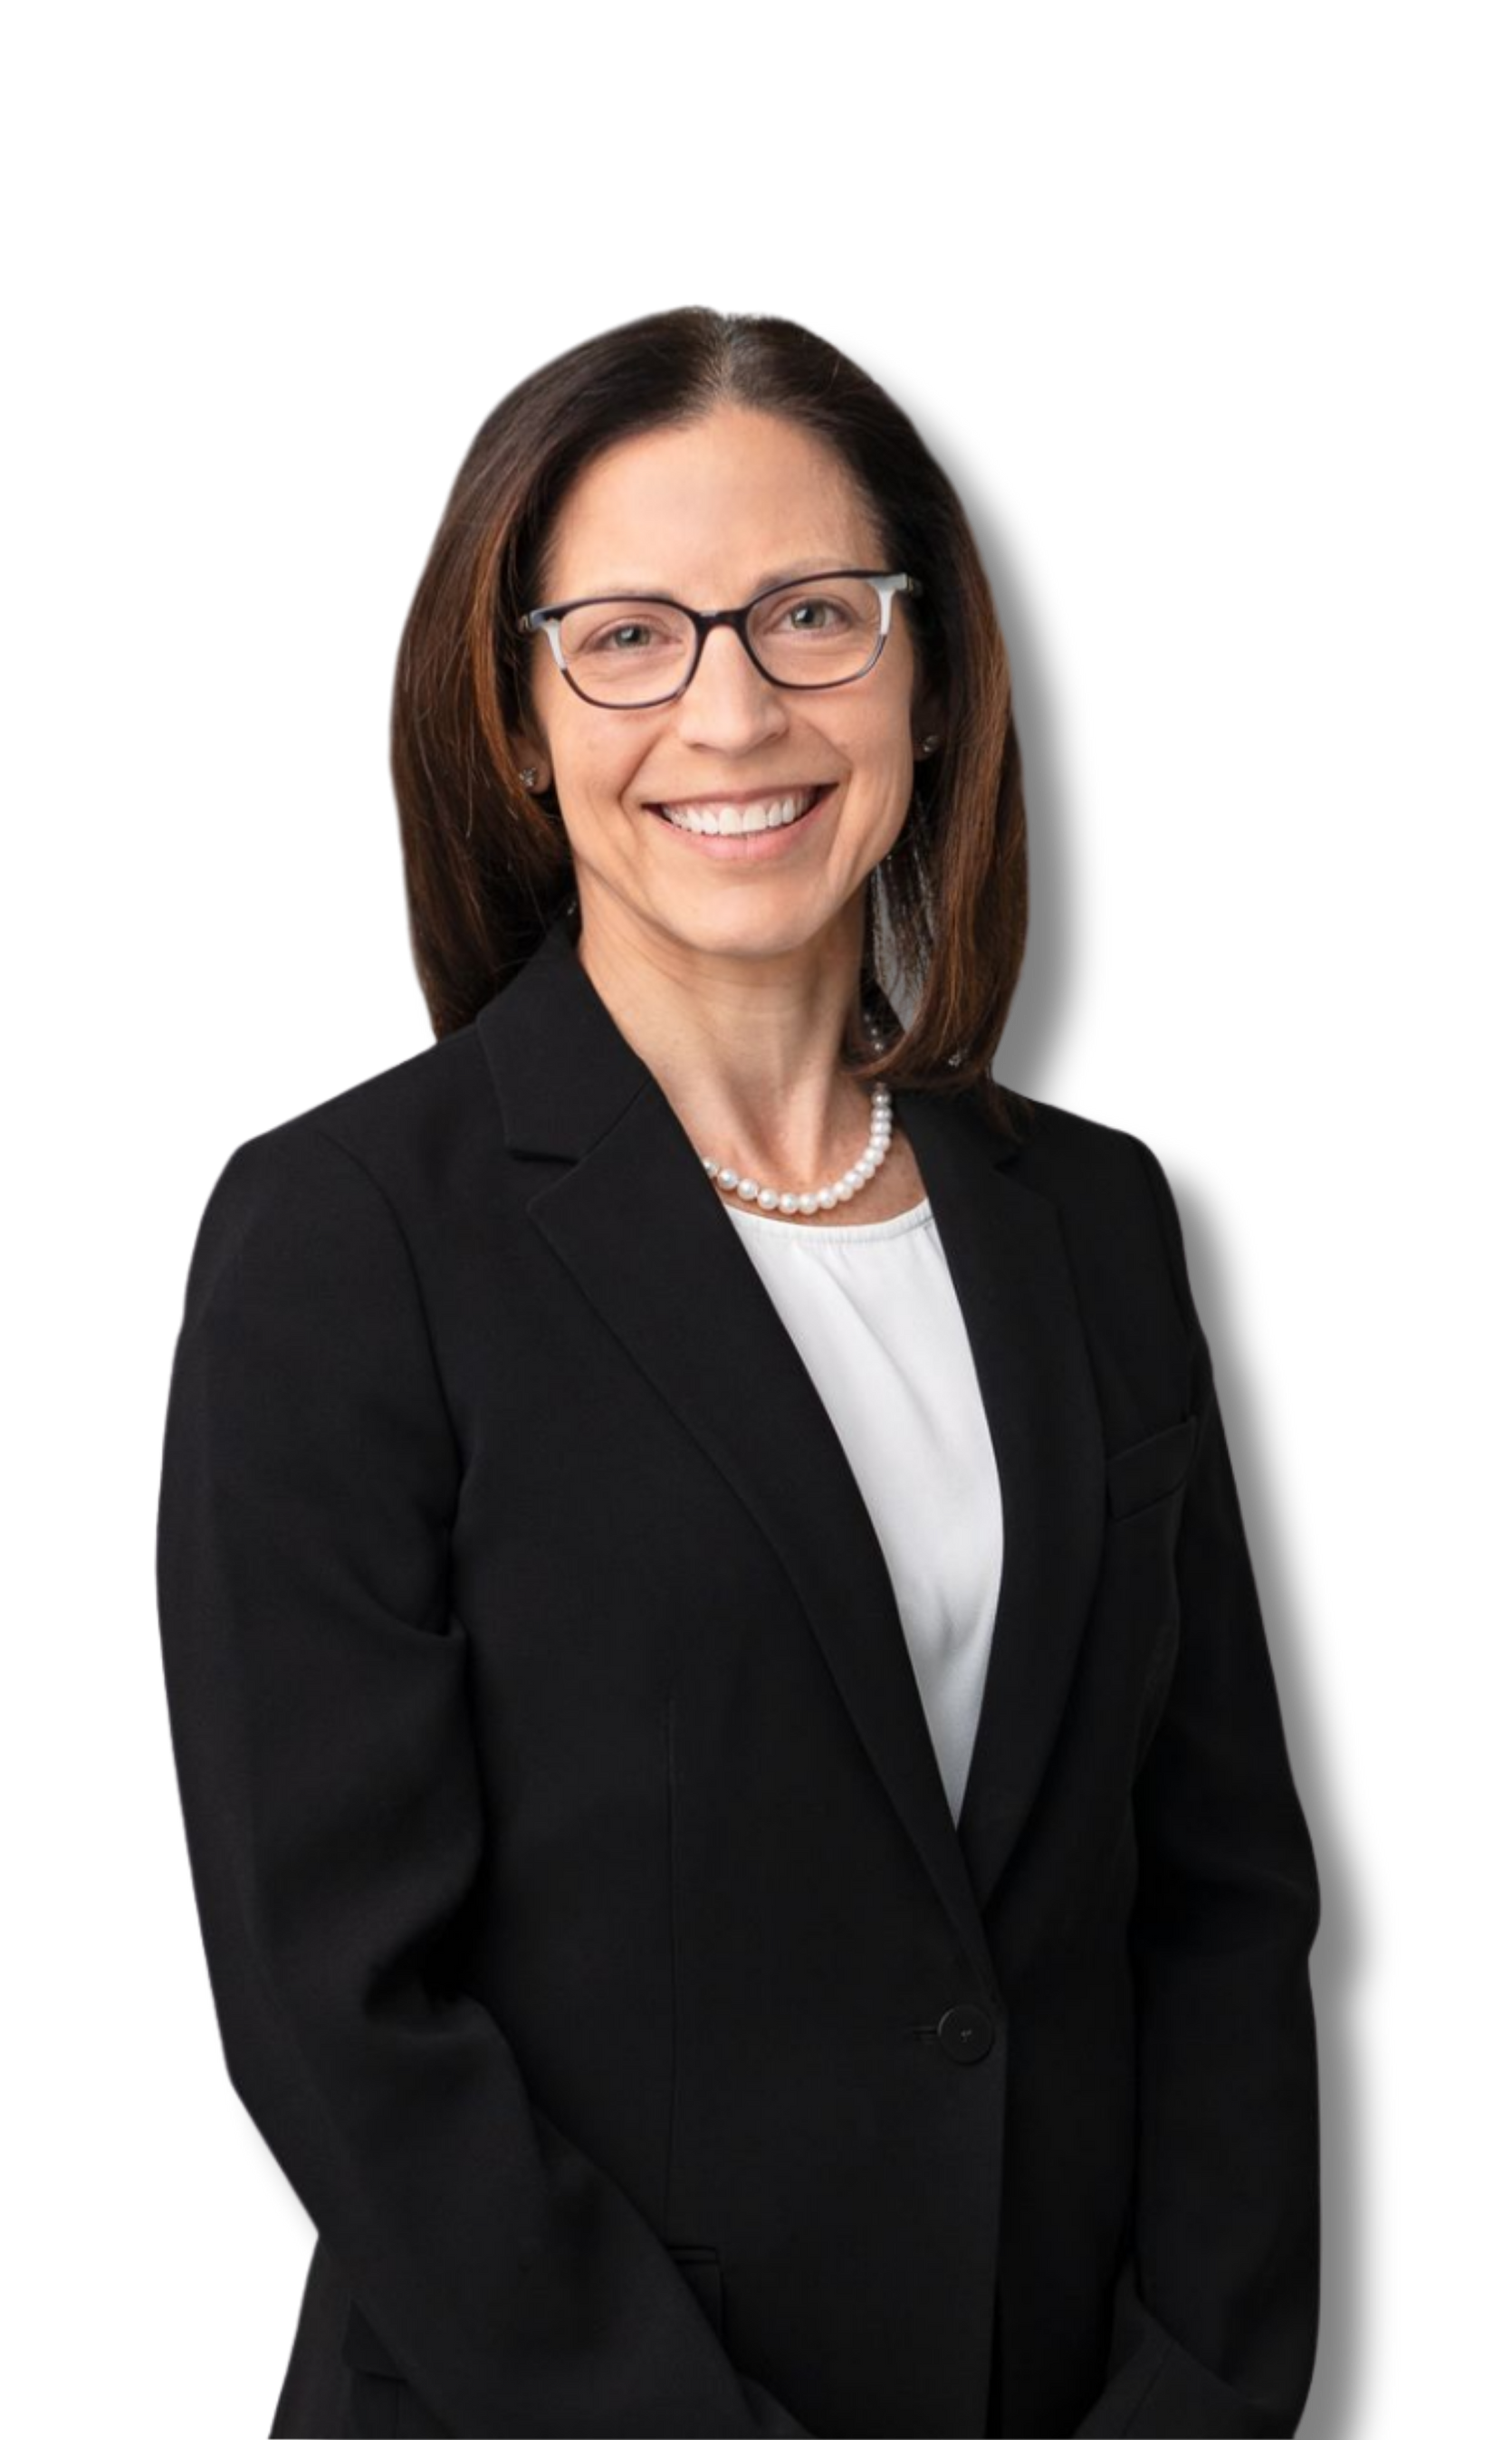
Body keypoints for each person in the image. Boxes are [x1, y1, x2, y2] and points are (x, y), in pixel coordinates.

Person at [156, 305, 1319, 2439]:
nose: (731, 709)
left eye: (808, 617)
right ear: (514, 713)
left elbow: (1221, 1897)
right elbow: (343, 2012)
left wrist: (1194, 2402)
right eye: (627, 636)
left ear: (929, 672)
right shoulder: (349, 1232)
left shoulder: (1095, 1218)